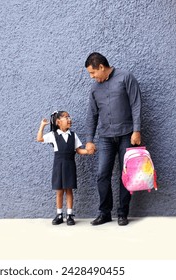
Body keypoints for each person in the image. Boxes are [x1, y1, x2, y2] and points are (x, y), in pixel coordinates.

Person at [84, 52, 142, 226]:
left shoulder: (126, 78)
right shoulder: (94, 88)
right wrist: (89, 139)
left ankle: (123, 213)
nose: (92, 77)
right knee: (102, 174)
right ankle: (105, 213)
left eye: (92, 73)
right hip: (105, 137)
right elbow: (92, 115)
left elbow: (136, 104)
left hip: (127, 134)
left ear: (101, 67)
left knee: (125, 174)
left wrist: (137, 130)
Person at [37, 111, 89, 226]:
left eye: (69, 117)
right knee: (59, 191)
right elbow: (39, 139)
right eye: (65, 117)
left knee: (69, 190)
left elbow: (79, 150)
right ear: (58, 122)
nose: (69, 119)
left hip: (70, 165)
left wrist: (88, 151)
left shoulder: (73, 135)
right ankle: (59, 214)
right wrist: (42, 126)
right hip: (58, 166)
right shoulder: (53, 135)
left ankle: (69, 214)